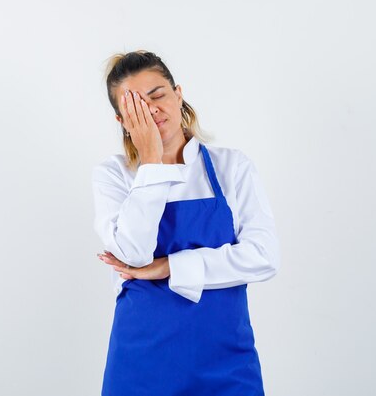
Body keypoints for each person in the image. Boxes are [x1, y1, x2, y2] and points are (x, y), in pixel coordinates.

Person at [91, 50, 281, 396]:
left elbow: (263, 256)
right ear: (122, 121)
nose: (151, 110)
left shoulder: (231, 167)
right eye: (135, 106)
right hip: (142, 360)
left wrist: (169, 267)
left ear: (178, 94)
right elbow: (134, 254)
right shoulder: (114, 175)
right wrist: (151, 163)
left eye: (158, 95)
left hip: (226, 360)